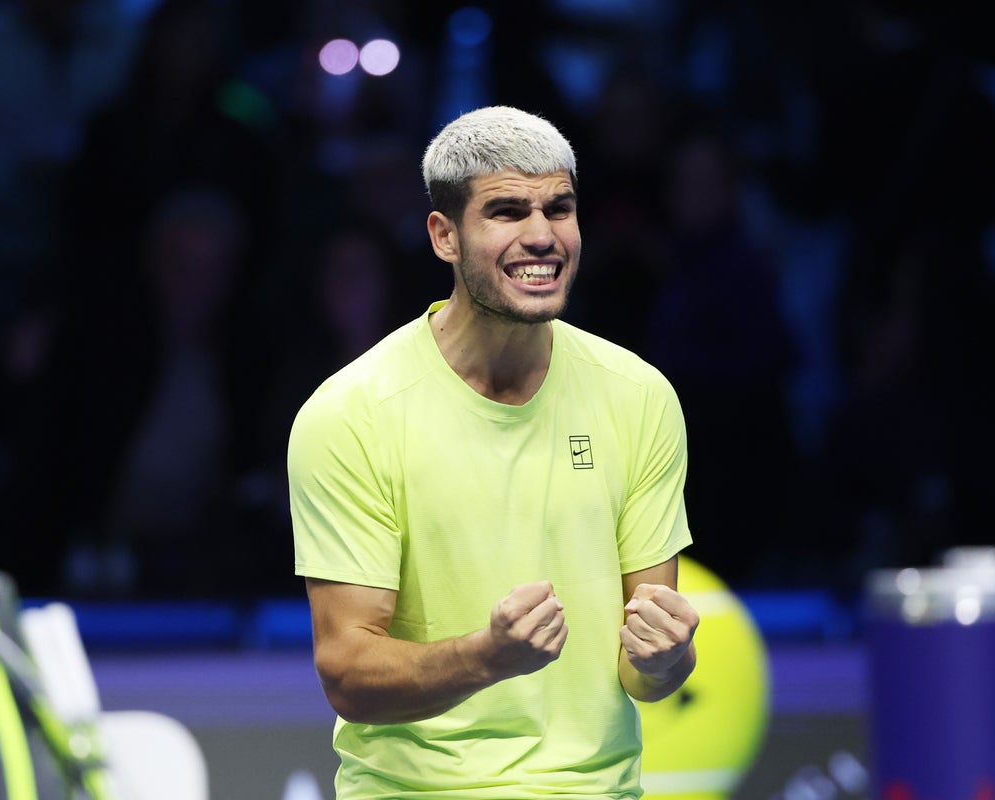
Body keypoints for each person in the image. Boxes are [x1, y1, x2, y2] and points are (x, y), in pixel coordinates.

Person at [287, 105, 700, 799]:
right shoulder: (350, 413)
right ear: (444, 236)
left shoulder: (639, 396)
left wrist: (668, 659)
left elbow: (644, 673)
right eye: (507, 212)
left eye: (559, 209)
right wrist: (486, 657)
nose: (542, 236)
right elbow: (348, 673)